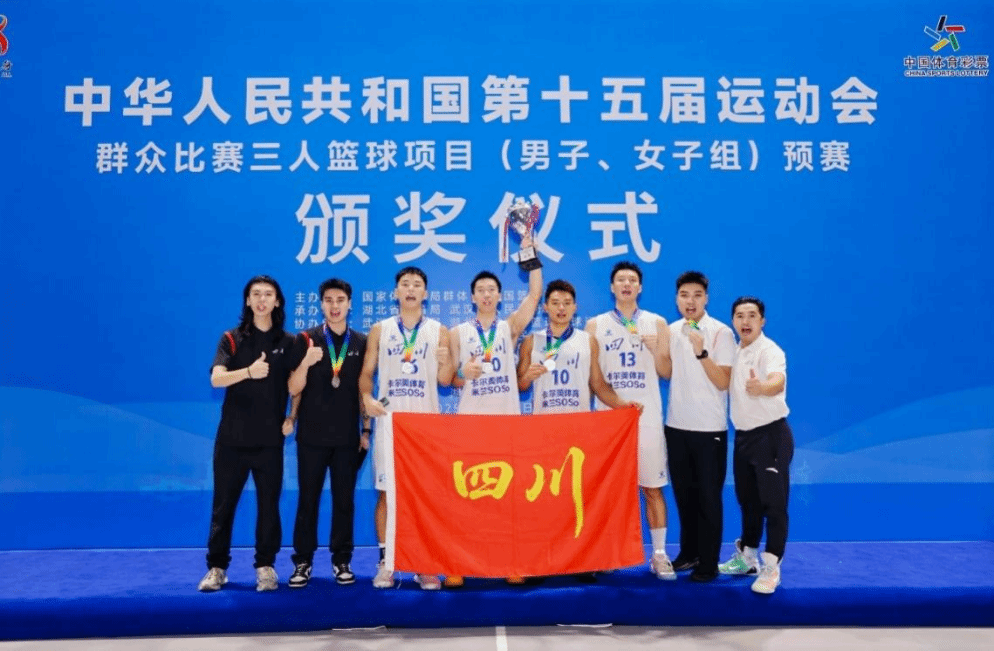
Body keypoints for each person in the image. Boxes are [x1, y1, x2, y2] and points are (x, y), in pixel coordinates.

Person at [517, 279, 641, 582]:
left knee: (578, 498)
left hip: (579, 432)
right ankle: (541, 562)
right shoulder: (532, 341)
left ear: (575, 307)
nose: (561, 308)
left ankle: (581, 562)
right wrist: (528, 376)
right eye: (555, 303)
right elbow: (519, 385)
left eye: (566, 303)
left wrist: (624, 406)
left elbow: (598, 384)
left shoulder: (588, 341)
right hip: (543, 432)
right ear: (545, 307)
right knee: (544, 500)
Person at [444, 236, 543, 588]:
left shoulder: (508, 328)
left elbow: (534, 295)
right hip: (471, 426)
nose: (486, 295)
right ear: (472, 297)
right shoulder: (457, 333)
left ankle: (512, 562)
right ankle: (458, 563)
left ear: (500, 296)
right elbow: (447, 379)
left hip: (507, 426)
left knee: (510, 498)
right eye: (480, 291)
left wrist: (529, 250)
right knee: (466, 497)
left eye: (492, 290)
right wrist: (463, 374)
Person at [359, 266, 455, 590]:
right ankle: (387, 562)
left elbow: (445, 380)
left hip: (426, 425)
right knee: (387, 494)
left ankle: (425, 564)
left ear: (425, 293)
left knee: (426, 496)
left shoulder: (440, 331)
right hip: (390, 422)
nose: (411, 289)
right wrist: (367, 398)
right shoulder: (380, 329)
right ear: (396, 292)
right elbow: (366, 373)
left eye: (417, 285)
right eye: (405, 284)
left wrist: (445, 360)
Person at [198, 275, 295, 592]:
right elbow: (216, 379)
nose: (262, 299)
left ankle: (265, 566)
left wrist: (292, 416)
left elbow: (298, 385)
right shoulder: (231, 338)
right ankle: (216, 568)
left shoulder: (288, 342)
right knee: (223, 506)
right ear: (248, 301)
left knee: (269, 507)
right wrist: (249, 372)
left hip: (269, 441)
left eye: (268, 294)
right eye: (256, 294)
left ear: (277, 301)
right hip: (232, 440)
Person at [586, 261, 675, 581]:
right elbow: (593, 378)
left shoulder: (658, 323)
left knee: (652, 487)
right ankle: (607, 554)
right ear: (612, 287)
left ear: (640, 287)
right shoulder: (595, 325)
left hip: (646, 416)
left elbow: (667, 372)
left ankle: (660, 554)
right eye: (621, 280)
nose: (626, 284)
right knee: (608, 491)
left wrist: (657, 351)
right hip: (609, 420)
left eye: (632, 280)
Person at [284, 278, 369, 589]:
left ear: (350, 304)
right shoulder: (305, 339)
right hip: (311, 436)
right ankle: (303, 561)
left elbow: (363, 389)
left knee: (344, 501)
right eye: (329, 300)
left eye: (340, 300)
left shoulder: (360, 342)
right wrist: (305, 363)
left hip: (347, 438)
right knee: (308, 500)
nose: (335, 306)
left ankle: (341, 560)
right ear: (321, 304)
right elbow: (293, 388)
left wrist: (366, 429)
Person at [662, 271, 736, 582]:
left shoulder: (721, 333)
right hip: (676, 425)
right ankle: (688, 553)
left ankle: (708, 561)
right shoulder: (671, 329)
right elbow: (666, 373)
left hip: (709, 429)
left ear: (706, 298)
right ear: (677, 299)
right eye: (684, 295)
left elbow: (723, 381)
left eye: (696, 295)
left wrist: (701, 352)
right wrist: (653, 349)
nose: (690, 301)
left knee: (708, 498)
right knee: (684, 495)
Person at [718, 296, 794, 595]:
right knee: (748, 501)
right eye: (739, 316)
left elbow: (777, 380)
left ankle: (772, 566)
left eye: (752, 315)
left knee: (774, 504)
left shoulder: (770, 350)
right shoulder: (736, 351)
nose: (745, 321)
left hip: (770, 436)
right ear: (733, 321)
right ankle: (748, 557)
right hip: (744, 437)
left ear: (762, 321)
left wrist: (763, 387)